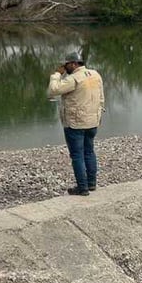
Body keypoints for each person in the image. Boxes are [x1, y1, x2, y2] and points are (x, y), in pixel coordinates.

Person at [47, 50, 105, 196]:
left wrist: (56, 75)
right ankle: (91, 184)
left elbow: (53, 91)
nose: (64, 68)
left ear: (73, 64)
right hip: (92, 122)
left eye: (66, 65)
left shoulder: (74, 78)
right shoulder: (95, 75)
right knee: (89, 152)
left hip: (76, 124)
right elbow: (101, 98)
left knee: (77, 155)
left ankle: (82, 188)